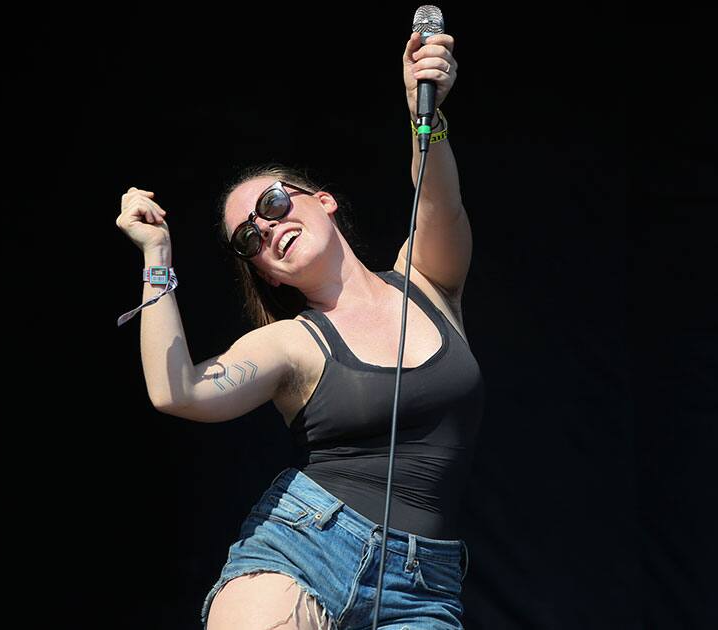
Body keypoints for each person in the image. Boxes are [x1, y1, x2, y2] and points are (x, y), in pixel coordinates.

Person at [116, 30, 483, 630]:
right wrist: (157, 255)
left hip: (425, 586)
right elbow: (175, 391)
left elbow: (439, 203)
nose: (265, 228)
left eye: (274, 204)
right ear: (265, 271)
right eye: (247, 239)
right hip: (304, 549)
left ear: (323, 200)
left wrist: (428, 112)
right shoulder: (291, 342)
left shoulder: (428, 283)